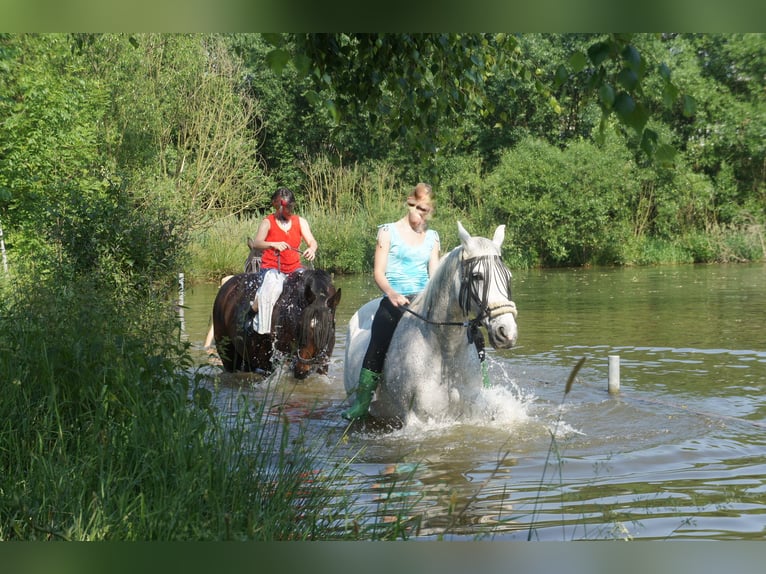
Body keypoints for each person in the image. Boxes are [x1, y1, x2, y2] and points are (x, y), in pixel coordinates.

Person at [342, 182, 440, 420]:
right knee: (380, 334)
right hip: (396, 297)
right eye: (417, 207)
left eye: (425, 209)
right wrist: (392, 293)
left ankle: (480, 388)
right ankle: (363, 401)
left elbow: (434, 274)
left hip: (423, 299)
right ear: (409, 203)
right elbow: (378, 272)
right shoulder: (388, 231)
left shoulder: (433, 238)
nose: (420, 213)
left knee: (466, 330)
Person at [249, 187, 318, 333]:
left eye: (289, 208)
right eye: (283, 208)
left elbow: (312, 241)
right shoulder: (268, 222)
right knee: (275, 286)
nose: (286, 211)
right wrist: (273, 244)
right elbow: (256, 243)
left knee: (310, 287)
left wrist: (311, 249)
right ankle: (263, 327)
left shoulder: (300, 222)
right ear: (276, 206)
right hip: (271, 268)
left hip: (294, 268)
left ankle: (311, 323)